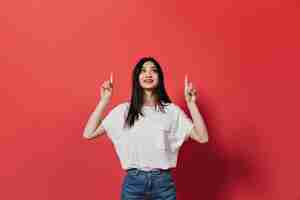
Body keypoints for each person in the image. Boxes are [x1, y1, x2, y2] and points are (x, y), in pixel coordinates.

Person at [82, 57, 209, 200]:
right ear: (137, 78)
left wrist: (191, 104)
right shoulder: (124, 110)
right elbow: (89, 133)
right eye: (143, 71)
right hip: (134, 183)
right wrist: (104, 100)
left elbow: (202, 137)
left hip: (163, 183)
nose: (148, 74)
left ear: (160, 77)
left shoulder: (171, 111)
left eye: (153, 70)